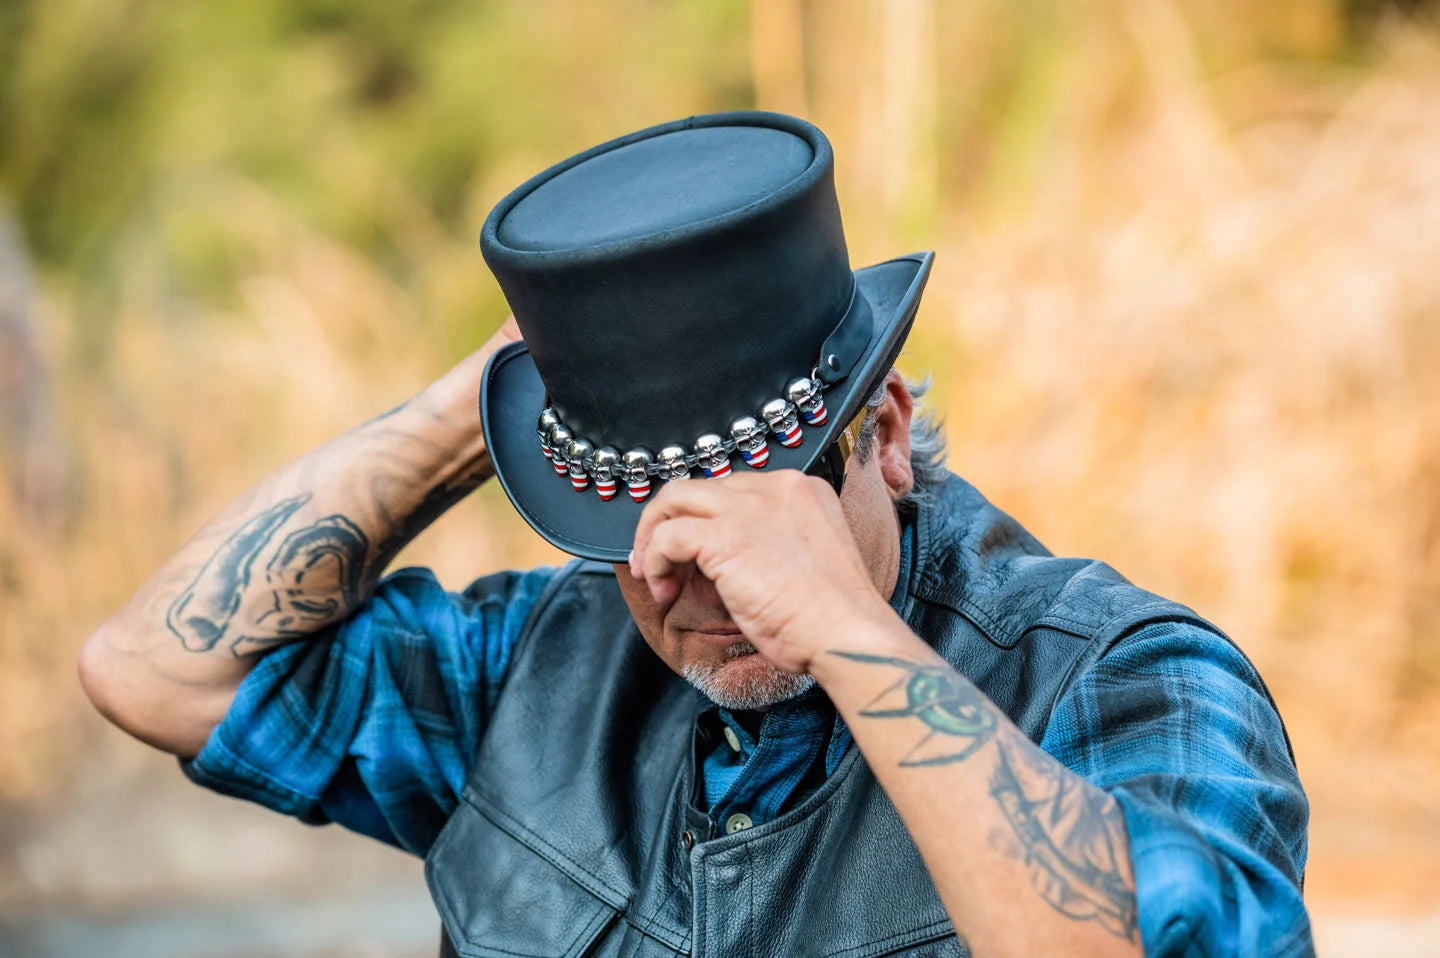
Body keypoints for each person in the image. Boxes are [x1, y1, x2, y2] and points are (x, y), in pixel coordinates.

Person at [79, 112, 1311, 957]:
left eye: (754, 498)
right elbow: (155, 668)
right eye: (633, 521)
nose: (688, 574)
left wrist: (837, 625)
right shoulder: (537, 670)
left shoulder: (1126, 676)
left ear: (882, 435)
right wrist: (492, 399)